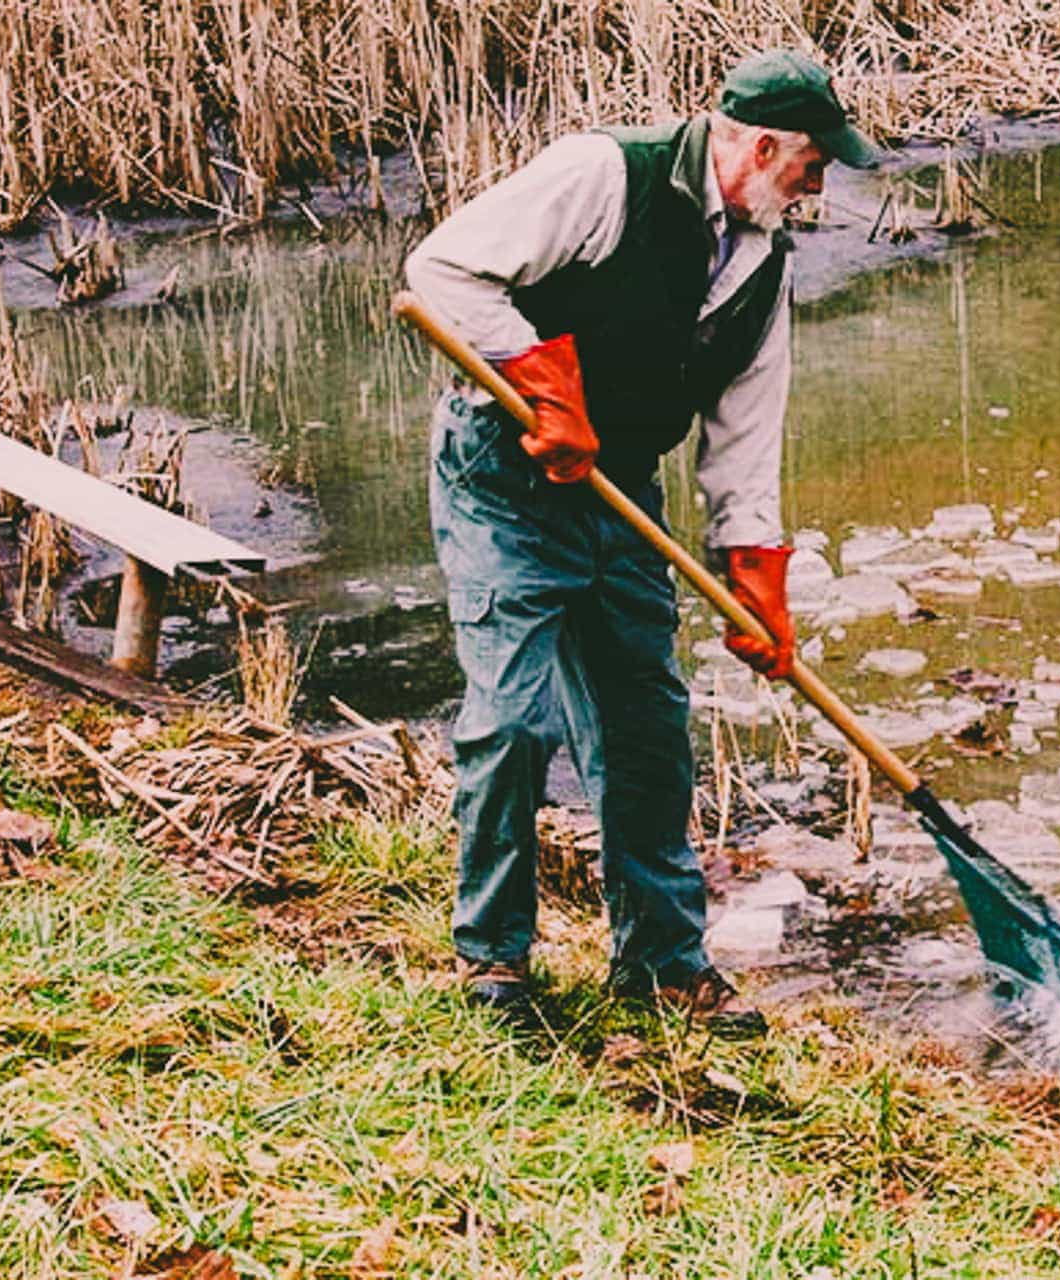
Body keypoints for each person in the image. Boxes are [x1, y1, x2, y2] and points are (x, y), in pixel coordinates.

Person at [404, 48, 880, 1035]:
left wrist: (758, 581)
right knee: (515, 717)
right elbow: (442, 270)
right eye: (812, 166)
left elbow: (745, 442)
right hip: (504, 468)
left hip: (620, 485)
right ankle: (494, 959)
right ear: (759, 146)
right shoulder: (602, 173)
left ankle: (662, 962)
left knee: (648, 728)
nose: (817, 187)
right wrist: (543, 380)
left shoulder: (762, 262)